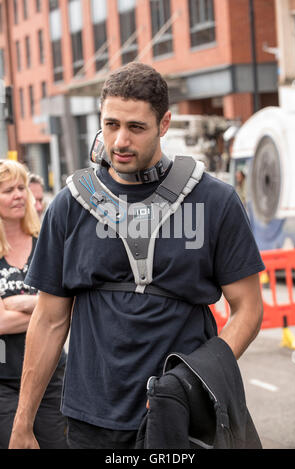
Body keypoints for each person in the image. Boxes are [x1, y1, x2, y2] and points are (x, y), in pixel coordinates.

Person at [9, 62, 264, 450]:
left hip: (183, 415)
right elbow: (48, 320)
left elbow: (248, 307)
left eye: (136, 127)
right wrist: (23, 422)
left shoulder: (215, 200)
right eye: (111, 125)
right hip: (91, 419)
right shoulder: (69, 207)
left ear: (164, 124)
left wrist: (199, 376)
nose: (119, 142)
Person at [0, 159, 68, 449]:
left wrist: (16, 304)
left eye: (21, 188)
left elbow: (68, 307)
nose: (18, 195)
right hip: (3, 378)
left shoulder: (46, 241)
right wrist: (46, 308)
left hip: (51, 372)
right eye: (7, 190)